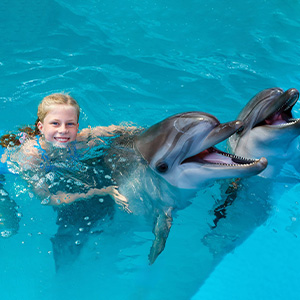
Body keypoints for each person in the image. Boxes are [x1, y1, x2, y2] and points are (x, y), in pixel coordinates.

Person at [1, 92, 135, 270]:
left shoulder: (81, 140)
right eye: (55, 123)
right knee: (10, 226)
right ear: (41, 127)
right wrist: (102, 191)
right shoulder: (32, 156)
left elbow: (116, 129)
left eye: (70, 124)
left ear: (77, 126)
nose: (63, 130)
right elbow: (48, 199)